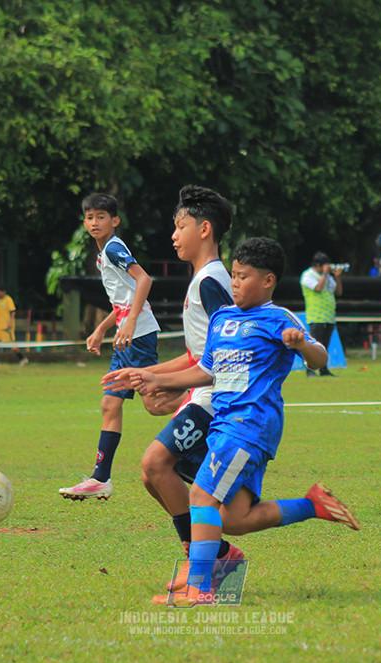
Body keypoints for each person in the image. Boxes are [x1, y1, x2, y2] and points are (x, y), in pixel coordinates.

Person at [108, 237, 360, 607]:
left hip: (250, 425)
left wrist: (302, 345)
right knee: (234, 518)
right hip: (224, 423)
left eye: (243, 277)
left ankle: (199, 589)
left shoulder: (278, 319)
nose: (235, 283)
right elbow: (207, 371)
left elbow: (320, 358)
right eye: (234, 275)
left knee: (200, 495)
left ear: (268, 281)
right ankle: (314, 505)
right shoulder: (223, 319)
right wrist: (155, 379)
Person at [103, 184, 245, 594]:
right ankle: (216, 557)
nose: (173, 235)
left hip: (216, 401)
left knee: (154, 464)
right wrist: (145, 373)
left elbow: (226, 354)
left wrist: (162, 381)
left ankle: (203, 561)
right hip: (203, 395)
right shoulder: (203, 279)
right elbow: (197, 354)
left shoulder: (211, 282)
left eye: (179, 226)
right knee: (157, 477)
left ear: (204, 230)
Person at [58, 192, 160, 501]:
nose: (94, 222)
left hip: (137, 336)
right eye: (89, 218)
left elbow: (144, 281)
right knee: (110, 403)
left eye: (100, 217)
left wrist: (128, 324)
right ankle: (101, 478)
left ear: (114, 221)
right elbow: (123, 299)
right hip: (126, 337)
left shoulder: (114, 248)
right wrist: (101, 330)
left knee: (156, 402)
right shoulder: (105, 253)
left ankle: (206, 406)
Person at [299, 251, 343, 377]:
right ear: (318, 265)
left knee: (325, 345)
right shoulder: (308, 275)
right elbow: (317, 288)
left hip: (328, 315)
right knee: (312, 345)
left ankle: (324, 370)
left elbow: (338, 292)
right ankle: (310, 370)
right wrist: (324, 274)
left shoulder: (328, 277)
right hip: (316, 315)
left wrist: (337, 277)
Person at [0, 284, 27, 366]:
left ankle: (22, 358)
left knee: (11, 345)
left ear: (4, 292)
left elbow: (13, 311)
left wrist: (10, 322)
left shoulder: (8, 299)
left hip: (6, 327)